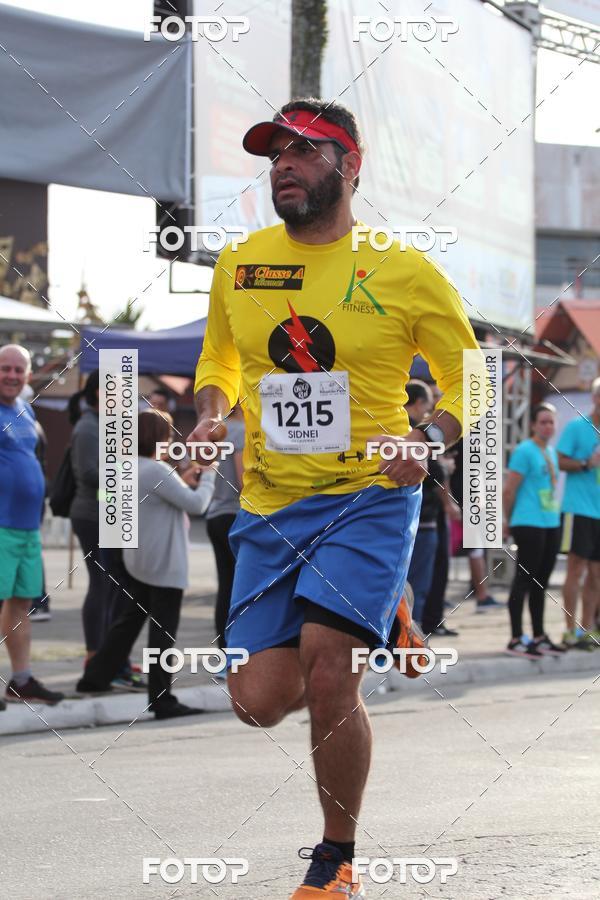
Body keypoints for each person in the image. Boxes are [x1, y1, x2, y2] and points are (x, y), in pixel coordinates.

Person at [189, 99, 482, 898]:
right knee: (259, 701)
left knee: (329, 672)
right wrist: (211, 414)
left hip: (370, 494)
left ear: (351, 168)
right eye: (275, 152)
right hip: (271, 505)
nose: (283, 164)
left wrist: (426, 443)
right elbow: (218, 359)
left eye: (306, 151)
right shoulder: (241, 264)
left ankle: (334, 857)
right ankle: (390, 607)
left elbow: (471, 377)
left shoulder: (402, 269)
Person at [77, 410, 216, 719]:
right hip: (164, 563)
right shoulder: (157, 471)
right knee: (162, 632)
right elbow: (196, 504)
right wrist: (208, 476)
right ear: (161, 438)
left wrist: (183, 480)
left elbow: (156, 498)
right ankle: (161, 699)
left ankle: (95, 676)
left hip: (136, 558)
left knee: (128, 623)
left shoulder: (125, 467)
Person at [0, 343, 63, 705]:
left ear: (27, 375)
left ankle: (21, 680)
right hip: (3, 525)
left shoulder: (25, 409)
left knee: (21, 602)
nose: (11, 375)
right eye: (4, 368)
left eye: (17, 370)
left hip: (27, 526)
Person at [502, 404, 564, 657]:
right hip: (528, 522)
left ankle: (539, 635)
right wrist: (508, 520)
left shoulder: (550, 450)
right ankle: (516, 637)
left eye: (551, 422)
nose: (548, 426)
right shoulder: (524, 451)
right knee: (523, 579)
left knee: (542, 582)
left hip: (550, 521)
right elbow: (509, 490)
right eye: (543, 422)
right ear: (533, 425)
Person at [404, 381, 460, 628]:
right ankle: (410, 633)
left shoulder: (403, 427)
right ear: (418, 403)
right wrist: (449, 504)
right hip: (420, 518)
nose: (431, 410)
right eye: (430, 402)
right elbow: (435, 471)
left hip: (409, 516)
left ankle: (409, 631)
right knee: (417, 582)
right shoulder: (416, 431)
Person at [557, 379, 600, 649]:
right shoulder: (577, 427)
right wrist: (586, 463)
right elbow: (560, 461)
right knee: (576, 569)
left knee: (597, 574)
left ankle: (588, 629)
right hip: (578, 509)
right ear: (595, 399)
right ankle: (569, 630)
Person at [206, 402, 245, 649]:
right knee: (240, 587)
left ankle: (224, 648)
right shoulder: (241, 431)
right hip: (235, 513)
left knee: (225, 585)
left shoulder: (215, 431)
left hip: (214, 513)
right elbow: (243, 480)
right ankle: (238, 648)